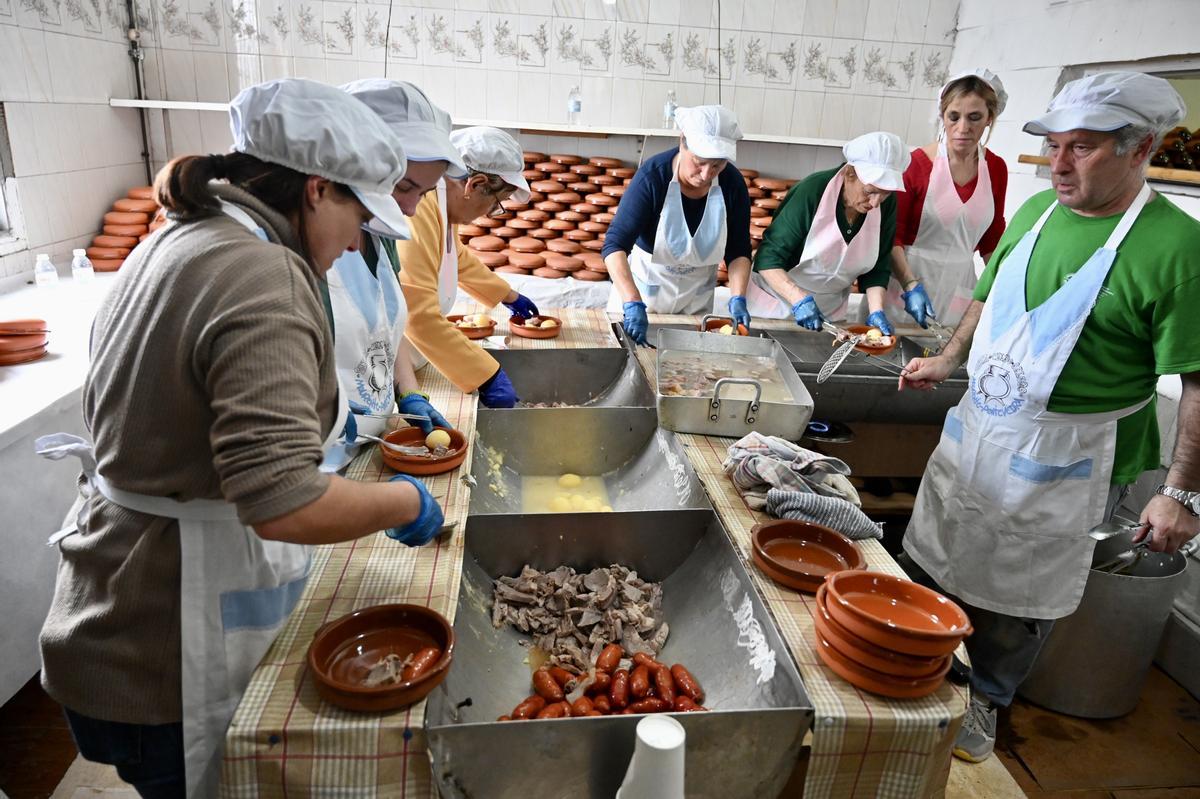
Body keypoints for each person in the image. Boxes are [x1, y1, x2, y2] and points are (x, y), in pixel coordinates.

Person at [35, 79, 445, 798]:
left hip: (111, 594)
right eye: (357, 215)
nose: (357, 242)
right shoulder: (262, 276)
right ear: (317, 189)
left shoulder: (183, 237)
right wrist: (403, 504)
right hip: (161, 637)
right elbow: (283, 501)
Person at [897, 71, 1200, 764]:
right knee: (933, 558)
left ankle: (986, 699)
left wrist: (1179, 491)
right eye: (1055, 145)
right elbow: (986, 292)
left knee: (1016, 595)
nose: (1059, 164)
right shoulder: (1036, 213)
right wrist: (948, 359)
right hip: (981, 428)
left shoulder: (1176, 248)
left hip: (1070, 454)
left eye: (1082, 148)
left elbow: (1197, 381)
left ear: (1139, 147)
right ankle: (915, 675)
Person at [321, 79, 465, 469]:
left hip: (372, 442)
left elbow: (386, 325)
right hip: (318, 464)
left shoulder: (379, 235)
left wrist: (408, 393)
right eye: (404, 187)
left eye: (425, 193)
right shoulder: (307, 248)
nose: (411, 210)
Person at [396, 125, 538, 408]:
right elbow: (418, 316)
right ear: (474, 185)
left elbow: (454, 258)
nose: (491, 213)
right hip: (399, 359)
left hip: (422, 354)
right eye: (497, 204)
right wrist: (486, 375)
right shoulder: (420, 208)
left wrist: (507, 295)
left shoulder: (443, 206)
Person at [603, 105, 753, 345]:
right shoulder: (653, 177)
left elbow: (739, 250)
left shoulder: (732, 184)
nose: (706, 174)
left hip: (697, 304)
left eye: (717, 165)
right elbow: (614, 245)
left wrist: (738, 297)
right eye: (699, 162)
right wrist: (631, 301)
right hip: (645, 297)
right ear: (683, 141)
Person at [745, 131, 910, 336]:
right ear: (849, 173)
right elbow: (768, 260)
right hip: (777, 303)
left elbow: (878, 265)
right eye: (870, 191)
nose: (876, 202)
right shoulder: (812, 191)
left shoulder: (886, 204)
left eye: (885, 193)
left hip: (830, 312)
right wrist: (798, 299)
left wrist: (876, 310)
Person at [887, 69, 1010, 329]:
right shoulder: (916, 165)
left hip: (959, 288)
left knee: (946, 362)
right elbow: (892, 236)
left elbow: (992, 238)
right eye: (954, 117)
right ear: (942, 116)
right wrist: (910, 285)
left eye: (974, 117)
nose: (963, 128)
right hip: (907, 286)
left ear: (990, 118)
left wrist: (1003, 289)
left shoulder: (996, 169)